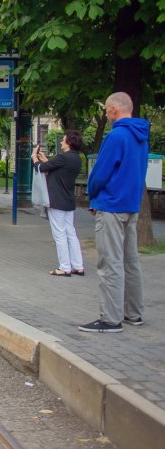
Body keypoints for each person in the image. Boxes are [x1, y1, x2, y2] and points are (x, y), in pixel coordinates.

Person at [80, 92, 150, 333]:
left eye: (107, 110)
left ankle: (111, 319)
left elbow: (100, 173)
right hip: (131, 204)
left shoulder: (116, 136)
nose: (107, 114)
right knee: (131, 261)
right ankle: (134, 313)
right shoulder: (141, 136)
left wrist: (93, 194)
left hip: (111, 205)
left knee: (110, 263)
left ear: (113, 110)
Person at [33, 130, 85, 277]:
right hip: (68, 200)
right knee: (71, 233)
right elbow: (56, 169)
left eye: (63, 140)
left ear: (69, 142)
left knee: (59, 234)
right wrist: (46, 160)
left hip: (56, 200)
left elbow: (40, 168)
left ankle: (64, 267)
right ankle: (78, 266)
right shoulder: (76, 158)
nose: (61, 142)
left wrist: (34, 157)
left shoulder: (63, 157)